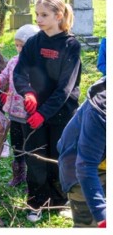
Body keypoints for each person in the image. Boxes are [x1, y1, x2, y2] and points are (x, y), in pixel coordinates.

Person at [13, 0, 82, 222]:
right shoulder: (34, 41)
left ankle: (59, 201)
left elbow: (64, 89)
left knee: (58, 157)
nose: (39, 19)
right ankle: (35, 202)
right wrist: (28, 93)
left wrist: (44, 113)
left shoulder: (71, 45)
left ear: (59, 15)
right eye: (37, 15)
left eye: (44, 15)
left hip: (62, 112)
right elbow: (19, 72)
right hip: (34, 111)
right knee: (35, 157)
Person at [0, 24, 40, 186]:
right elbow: (5, 74)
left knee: (31, 146)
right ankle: (19, 174)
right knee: (17, 144)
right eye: (17, 45)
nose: (19, 49)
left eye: (22, 46)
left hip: (30, 114)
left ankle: (33, 177)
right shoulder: (14, 61)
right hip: (13, 112)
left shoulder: (38, 64)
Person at [57, 76, 106, 228]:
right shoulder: (102, 109)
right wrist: (103, 217)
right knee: (89, 224)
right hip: (82, 168)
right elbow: (86, 167)